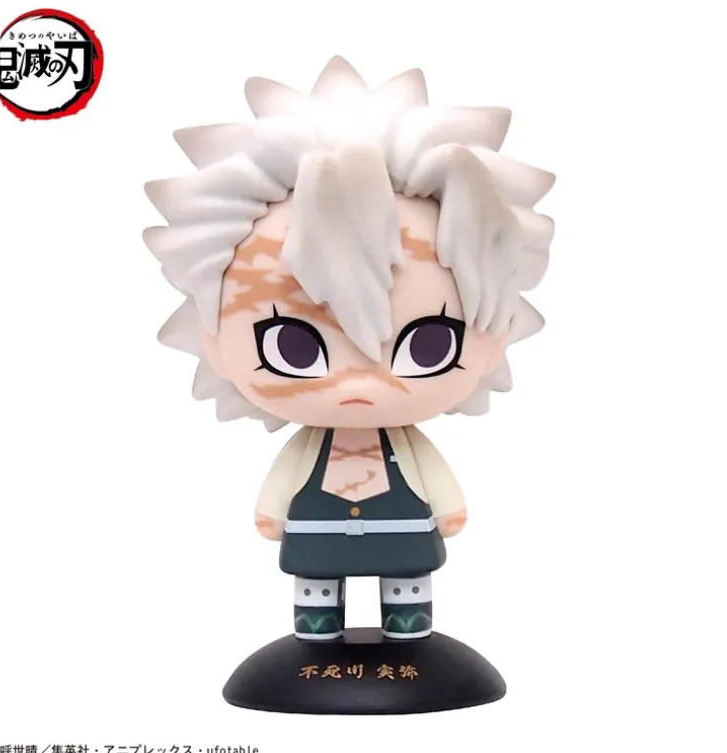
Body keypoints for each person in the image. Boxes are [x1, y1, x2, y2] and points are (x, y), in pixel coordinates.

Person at [144, 56, 555, 642]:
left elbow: (432, 480)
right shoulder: (311, 443)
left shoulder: (404, 443)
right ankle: (317, 631)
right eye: (293, 347)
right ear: (212, 339)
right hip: (319, 534)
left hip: (400, 532)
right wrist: (272, 511)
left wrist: (446, 507)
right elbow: (286, 480)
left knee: (407, 587)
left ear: (498, 337)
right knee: (316, 588)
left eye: (429, 346)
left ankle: (408, 631)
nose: (359, 383)